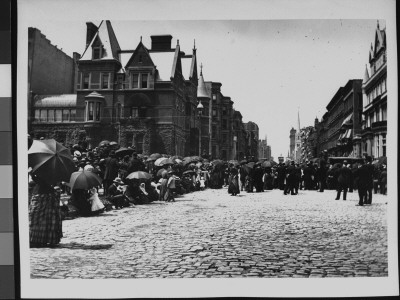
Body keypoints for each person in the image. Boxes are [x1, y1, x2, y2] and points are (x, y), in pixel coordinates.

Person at [29, 174, 63, 247]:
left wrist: (32, 174)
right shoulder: (51, 172)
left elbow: (41, 181)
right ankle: (43, 239)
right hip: (46, 194)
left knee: (38, 218)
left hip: (44, 195)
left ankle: (39, 239)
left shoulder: (45, 173)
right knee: (46, 219)